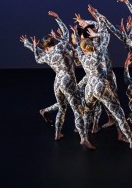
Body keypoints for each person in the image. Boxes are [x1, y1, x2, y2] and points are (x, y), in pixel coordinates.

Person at [20, 11, 95, 149]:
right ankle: (83, 138)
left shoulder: (47, 55)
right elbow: (66, 33)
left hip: (57, 83)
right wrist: (57, 18)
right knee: (77, 110)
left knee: (62, 108)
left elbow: (38, 58)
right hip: (68, 81)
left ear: (46, 47)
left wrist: (29, 44)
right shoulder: (62, 45)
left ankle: (57, 133)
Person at [70, 24, 132, 153]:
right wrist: (96, 35)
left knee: (87, 112)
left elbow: (78, 45)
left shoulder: (82, 56)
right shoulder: (98, 53)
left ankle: (84, 137)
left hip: (90, 86)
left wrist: (76, 35)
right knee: (119, 113)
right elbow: (107, 36)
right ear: (92, 45)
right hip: (101, 86)